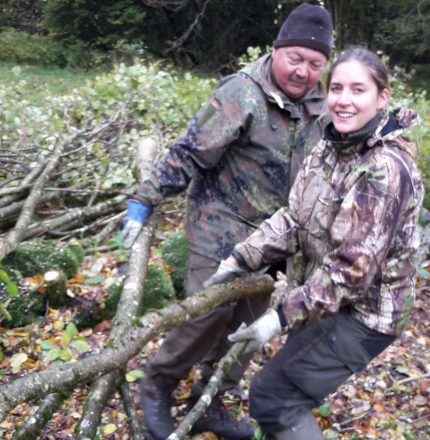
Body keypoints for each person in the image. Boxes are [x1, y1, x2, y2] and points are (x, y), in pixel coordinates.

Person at [122, 4, 333, 439]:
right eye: (295, 58)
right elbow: (190, 151)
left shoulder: (322, 106)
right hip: (219, 227)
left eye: (315, 64)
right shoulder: (242, 93)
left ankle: (211, 401)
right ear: (277, 51)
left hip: (275, 240)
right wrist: (146, 198)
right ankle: (157, 384)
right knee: (206, 315)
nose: (303, 72)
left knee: (247, 327)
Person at [205, 46, 424, 439]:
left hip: (365, 315)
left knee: (274, 398)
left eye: (358, 90)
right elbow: (294, 218)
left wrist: (278, 317)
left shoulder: (384, 170)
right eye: (337, 88)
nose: (343, 100)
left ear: (382, 97)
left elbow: (351, 271)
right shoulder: (329, 148)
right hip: (327, 299)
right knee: (284, 389)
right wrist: (239, 258)